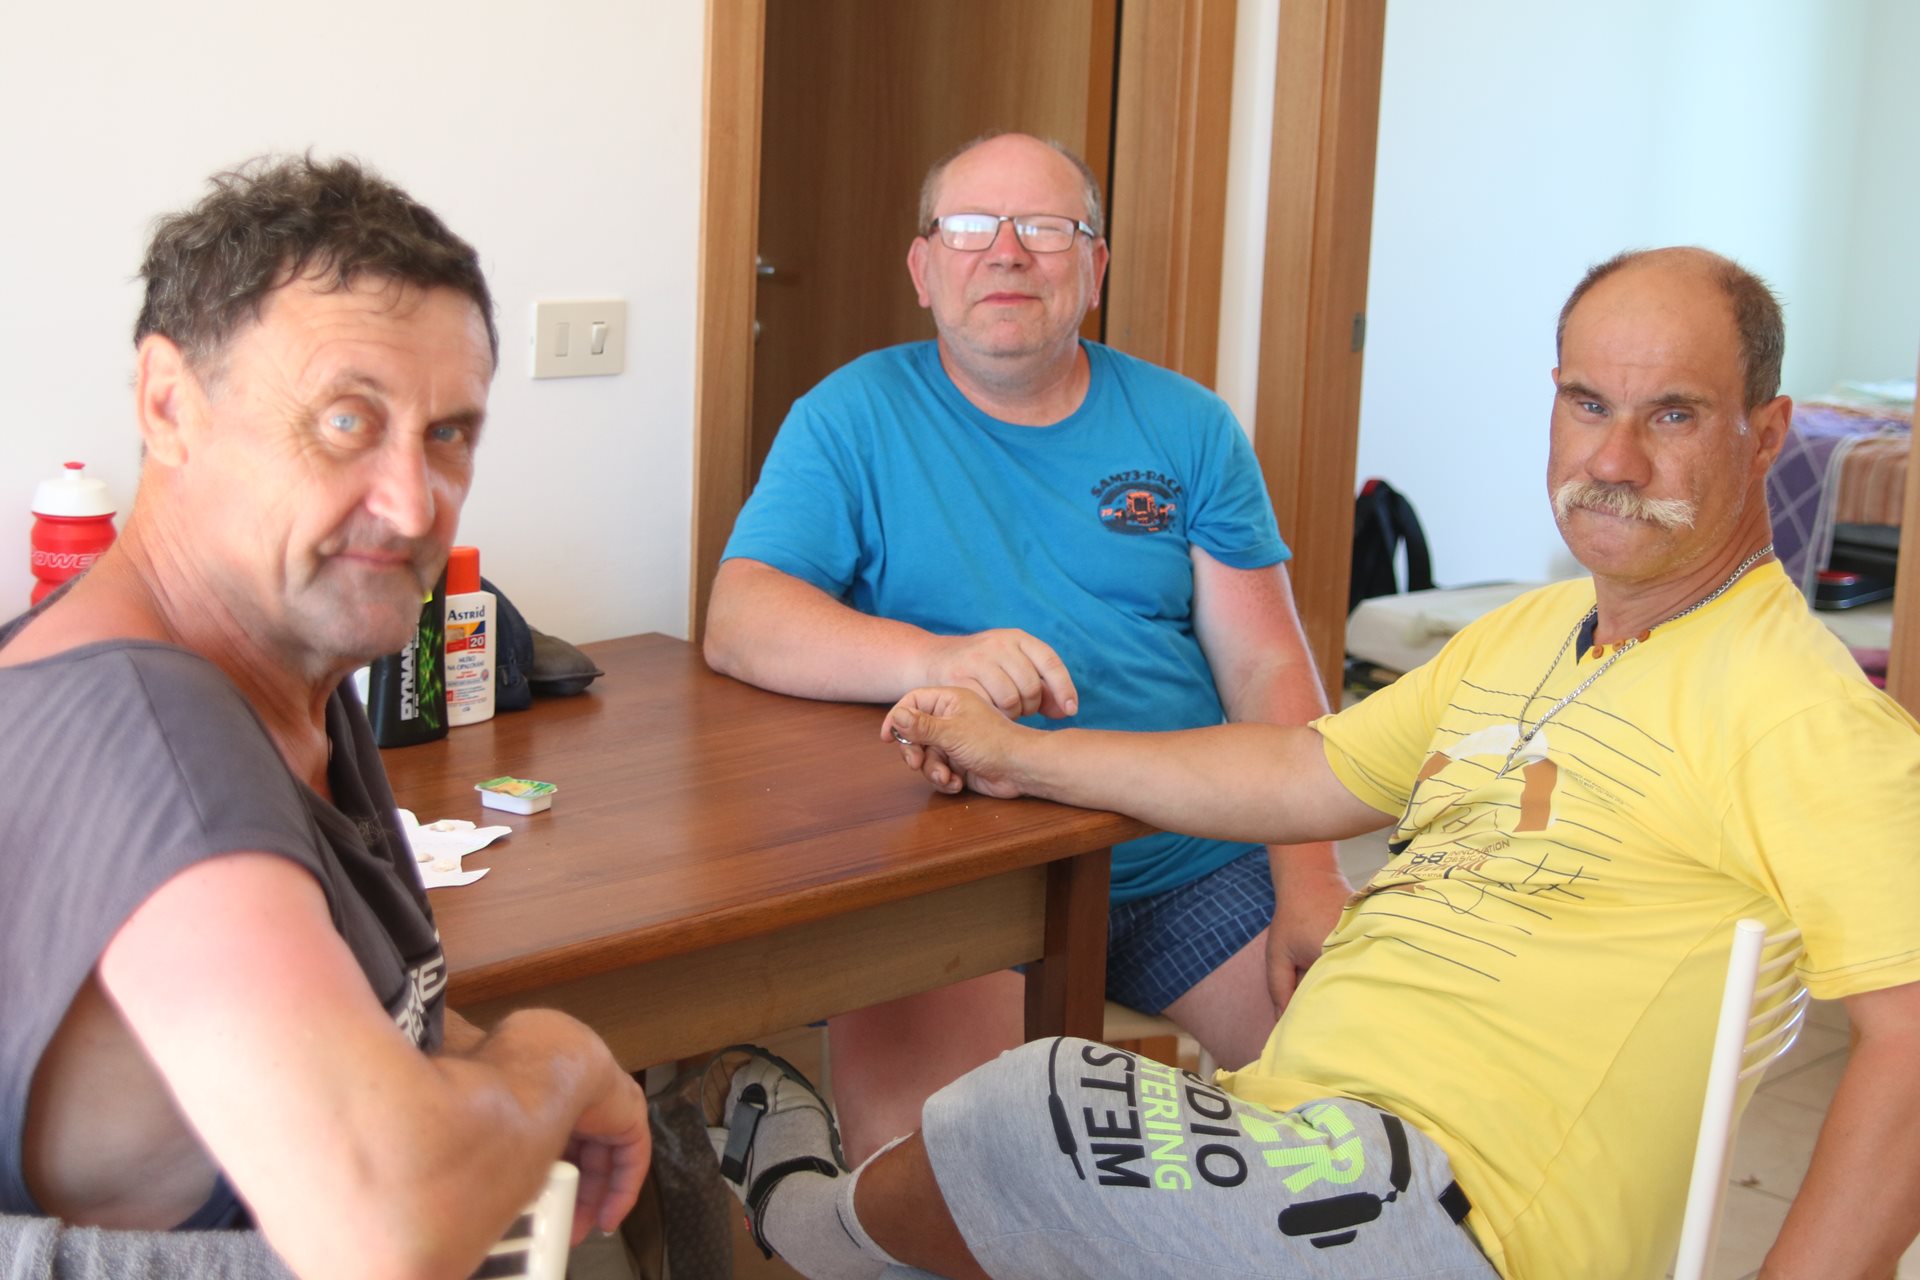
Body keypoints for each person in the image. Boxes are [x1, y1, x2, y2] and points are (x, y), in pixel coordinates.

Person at [702, 246, 1920, 1279]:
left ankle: (810, 1220)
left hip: (1441, 1221)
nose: (1614, 460)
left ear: (1767, 433)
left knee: (1034, 1109)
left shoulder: (1799, 710)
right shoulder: (1524, 635)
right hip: (1286, 1147)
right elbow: (1299, 770)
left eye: (1674, 415)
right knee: (1012, 1134)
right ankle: (833, 1220)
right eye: (1589, 403)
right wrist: (1023, 752)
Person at [0, 157, 651, 1279]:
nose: (411, 503)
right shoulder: (154, 737)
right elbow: (387, 1227)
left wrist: (493, 1067)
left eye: (447, 433)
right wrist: (556, 1057)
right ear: (168, 405)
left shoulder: (283, 649)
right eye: (347, 419)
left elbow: (383, 1018)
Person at [703, 131, 1348, 1162]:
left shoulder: (1191, 427)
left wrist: (1311, 878)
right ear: (924, 268)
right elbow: (740, 618)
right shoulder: (849, 416)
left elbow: (1269, 667)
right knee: (940, 1169)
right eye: (970, 227)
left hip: (1184, 853)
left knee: (1374, 1111)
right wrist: (935, 660)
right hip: (955, 869)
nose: (1006, 252)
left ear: (1094, 266)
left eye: (1047, 228)